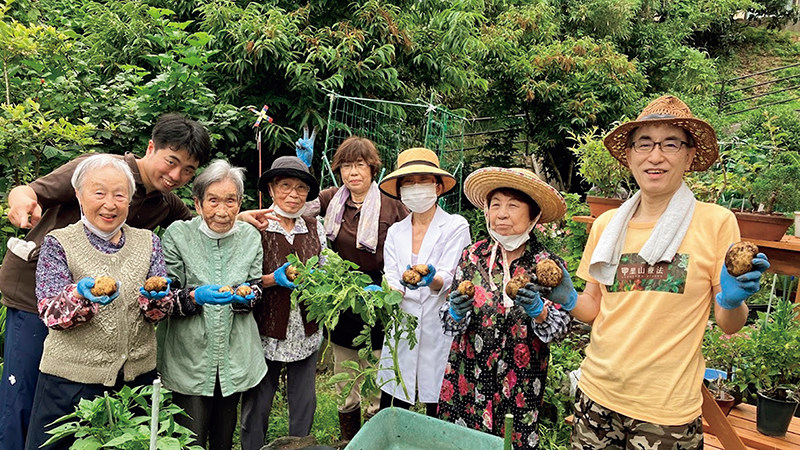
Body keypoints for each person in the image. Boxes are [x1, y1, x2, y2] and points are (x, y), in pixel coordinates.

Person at [556, 96, 769, 448]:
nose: (655, 156)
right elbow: (593, 309)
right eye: (644, 143)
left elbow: (729, 324)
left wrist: (733, 301)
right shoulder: (608, 225)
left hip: (666, 410)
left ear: (688, 155)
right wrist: (566, 298)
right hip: (597, 394)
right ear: (629, 156)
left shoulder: (715, 223)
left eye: (671, 144)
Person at [0, 113, 210, 450]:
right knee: (24, 396)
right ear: (151, 147)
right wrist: (21, 202)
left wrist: (238, 216)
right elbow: (30, 191)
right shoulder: (98, 168)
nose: (176, 175)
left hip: (98, 328)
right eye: (172, 162)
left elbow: (200, 222)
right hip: (34, 293)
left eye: (188, 170)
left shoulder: (163, 201)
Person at [25, 155, 175, 450]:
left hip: (135, 384)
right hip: (71, 384)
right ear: (79, 195)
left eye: (120, 195)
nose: (110, 204)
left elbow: (158, 311)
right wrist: (78, 296)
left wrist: (155, 300)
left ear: (130, 200)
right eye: (99, 193)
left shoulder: (149, 242)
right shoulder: (59, 243)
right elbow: (50, 313)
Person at [437, 167, 572, 449]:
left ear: (533, 215)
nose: (501, 214)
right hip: (469, 378)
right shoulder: (473, 256)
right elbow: (450, 323)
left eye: (513, 205)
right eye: (495, 205)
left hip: (520, 384)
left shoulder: (547, 265)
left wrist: (540, 312)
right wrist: (455, 312)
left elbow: (561, 329)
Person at [299, 135, 408, 440]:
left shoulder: (391, 204)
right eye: (346, 166)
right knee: (345, 372)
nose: (352, 172)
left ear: (373, 168)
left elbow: (410, 243)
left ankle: (372, 438)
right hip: (342, 291)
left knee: (374, 367)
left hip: (380, 292)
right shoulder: (332, 198)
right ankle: (349, 438)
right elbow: (296, 208)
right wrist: (304, 169)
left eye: (359, 164)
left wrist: (393, 285)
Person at [157, 159, 267, 450]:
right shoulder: (178, 236)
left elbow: (254, 284)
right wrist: (194, 297)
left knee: (223, 435)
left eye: (230, 201)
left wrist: (246, 298)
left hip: (235, 353)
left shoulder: (250, 237)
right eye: (213, 200)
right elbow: (165, 298)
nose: (222, 211)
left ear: (240, 202)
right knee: (189, 437)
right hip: (189, 353)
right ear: (197, 202)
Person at [376, 147, 471, 416]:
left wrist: (432, 281)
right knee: (395, 398)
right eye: (408, 183)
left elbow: (451, 275)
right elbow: (392, 275)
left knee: (437, 400)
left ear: (438, 187)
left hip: (437, 321)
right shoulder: (396, 231)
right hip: (402, 322)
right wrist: (386, 292)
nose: (416, 188)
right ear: (401, 191)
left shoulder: (455, 226)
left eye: (423, 181)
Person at [240, 156, 326, 450]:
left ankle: (299, 446)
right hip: (265, 329)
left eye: (301, 188)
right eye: (285, 185)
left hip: (305, 330)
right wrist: (272, 280)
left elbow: (326, 271)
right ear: (272, 189)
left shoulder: (315, 227)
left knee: (304, 401)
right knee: (258, 401)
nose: (293, 193)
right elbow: (241, 281)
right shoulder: (255, 226)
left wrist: (319, 281)